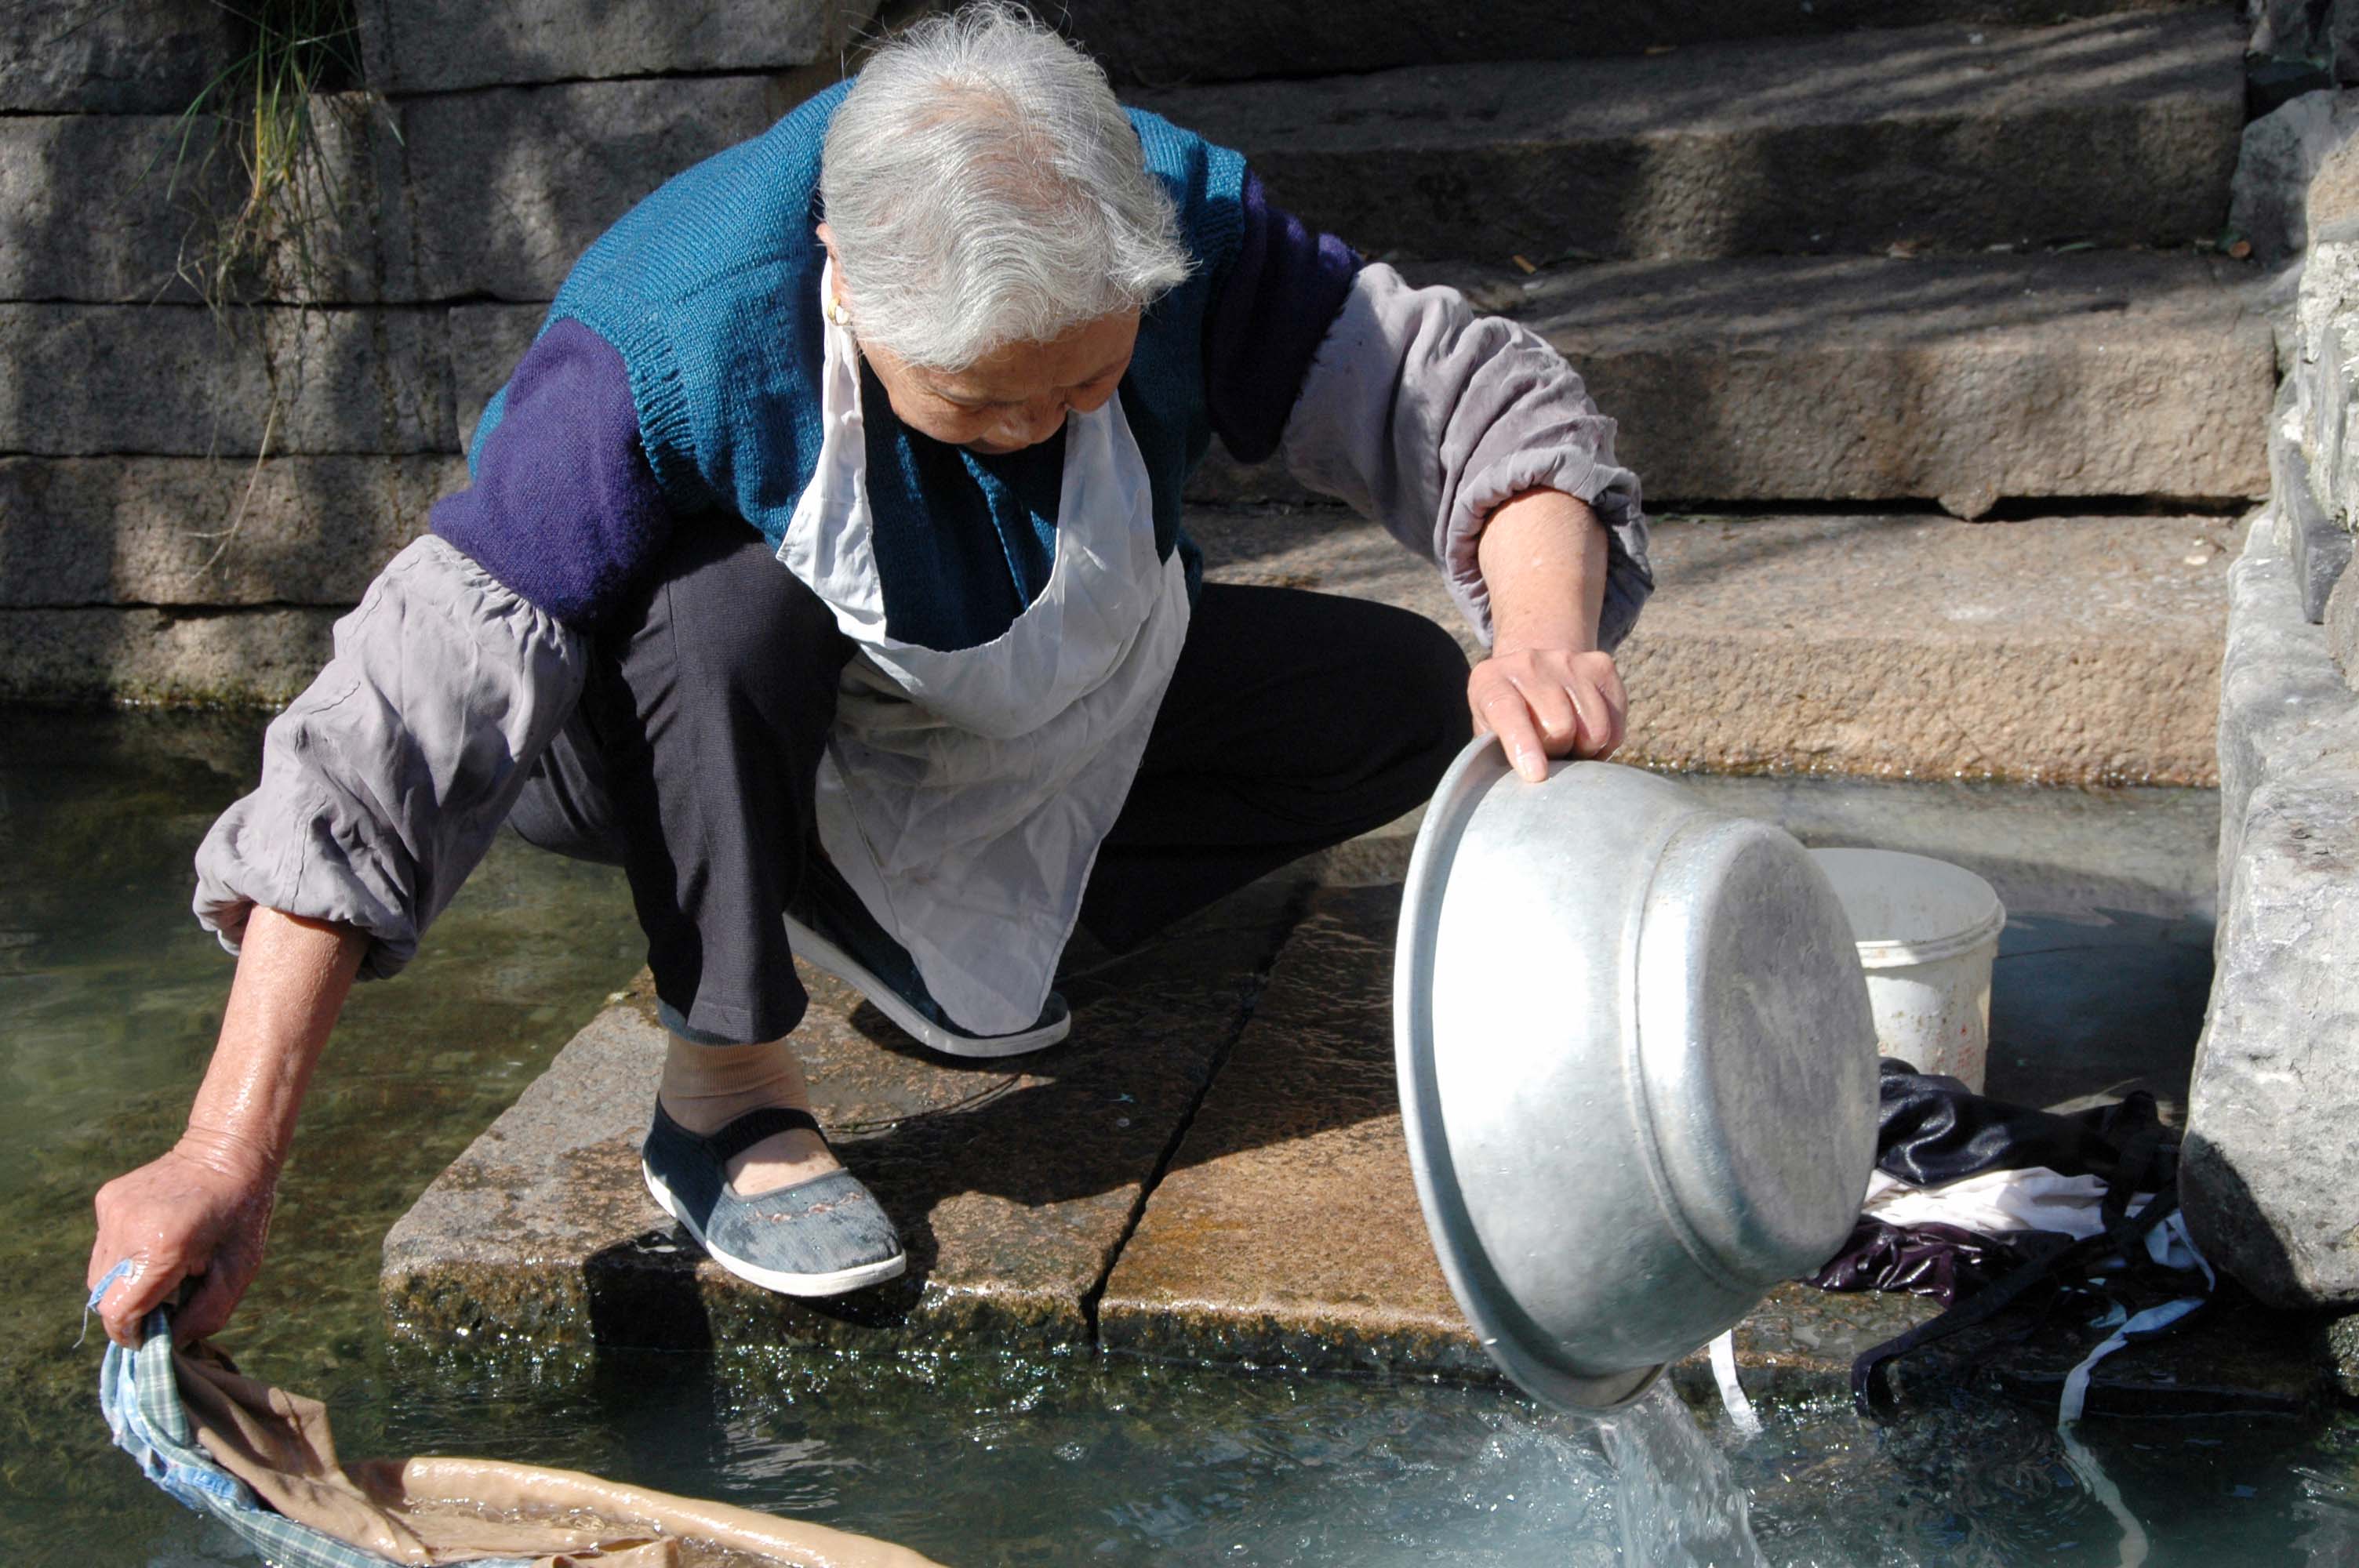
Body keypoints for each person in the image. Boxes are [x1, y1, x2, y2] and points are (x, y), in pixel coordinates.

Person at [87, 2, 1652, 1341]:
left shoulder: (1176, 219)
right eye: (987, 399)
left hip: (1010, 702)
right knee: (722, 601)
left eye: (1090, 379)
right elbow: (399, 721)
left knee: (1391, 694)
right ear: (843, 277)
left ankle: (908, 930)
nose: (1047, 426)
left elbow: (1467, 408)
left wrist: (1543, 638)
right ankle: (727, 1084)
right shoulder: (678, 324)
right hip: (679, 720)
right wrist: (229, 1146)